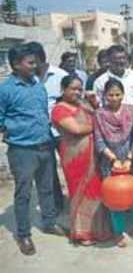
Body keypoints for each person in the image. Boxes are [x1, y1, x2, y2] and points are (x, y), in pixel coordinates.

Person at [0, 44, 65, 256]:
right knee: (24, 193)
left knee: (46, 188)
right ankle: (23, 234)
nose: (35, 65)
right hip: (22, 151)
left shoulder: (38, 84)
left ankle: (49, 222)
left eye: (35, 61)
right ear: (16, 65)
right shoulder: (5, 89)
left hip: (44, 145)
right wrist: (13, 130)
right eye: (30, 62)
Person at [51, 75, 112, 246]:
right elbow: (76, 129)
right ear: (63, 90)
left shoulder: (83, 104)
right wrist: (99, 125)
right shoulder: (58, 109)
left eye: (80, 88)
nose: (78, 92)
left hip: (93, 155)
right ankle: (82, 233)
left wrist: (94, 105)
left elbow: (100, 114)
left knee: (95, 191)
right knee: (80, 193)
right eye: (73, 89)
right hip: (74, 157)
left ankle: (98, 231)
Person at [94, 78, 133, 248]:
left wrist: (129, 157)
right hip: (110, 161)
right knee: (114, 198)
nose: (114, 98)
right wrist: (114, 159)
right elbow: (99, 142)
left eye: (117, 94)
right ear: (105, 95)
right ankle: (118, 231)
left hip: (131, 159)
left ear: (123, 94)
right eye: (110, 95)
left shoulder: (132, 111)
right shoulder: (99, 114)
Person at [28, 41, 68, 213]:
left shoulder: (60, 75)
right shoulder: (28, 79)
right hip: (40, 133)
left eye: (32, 61)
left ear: (40, 58)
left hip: (62, 132)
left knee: (70, 166)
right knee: (47, 170)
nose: (30, 65)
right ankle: (56, 204)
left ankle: (79, 201)